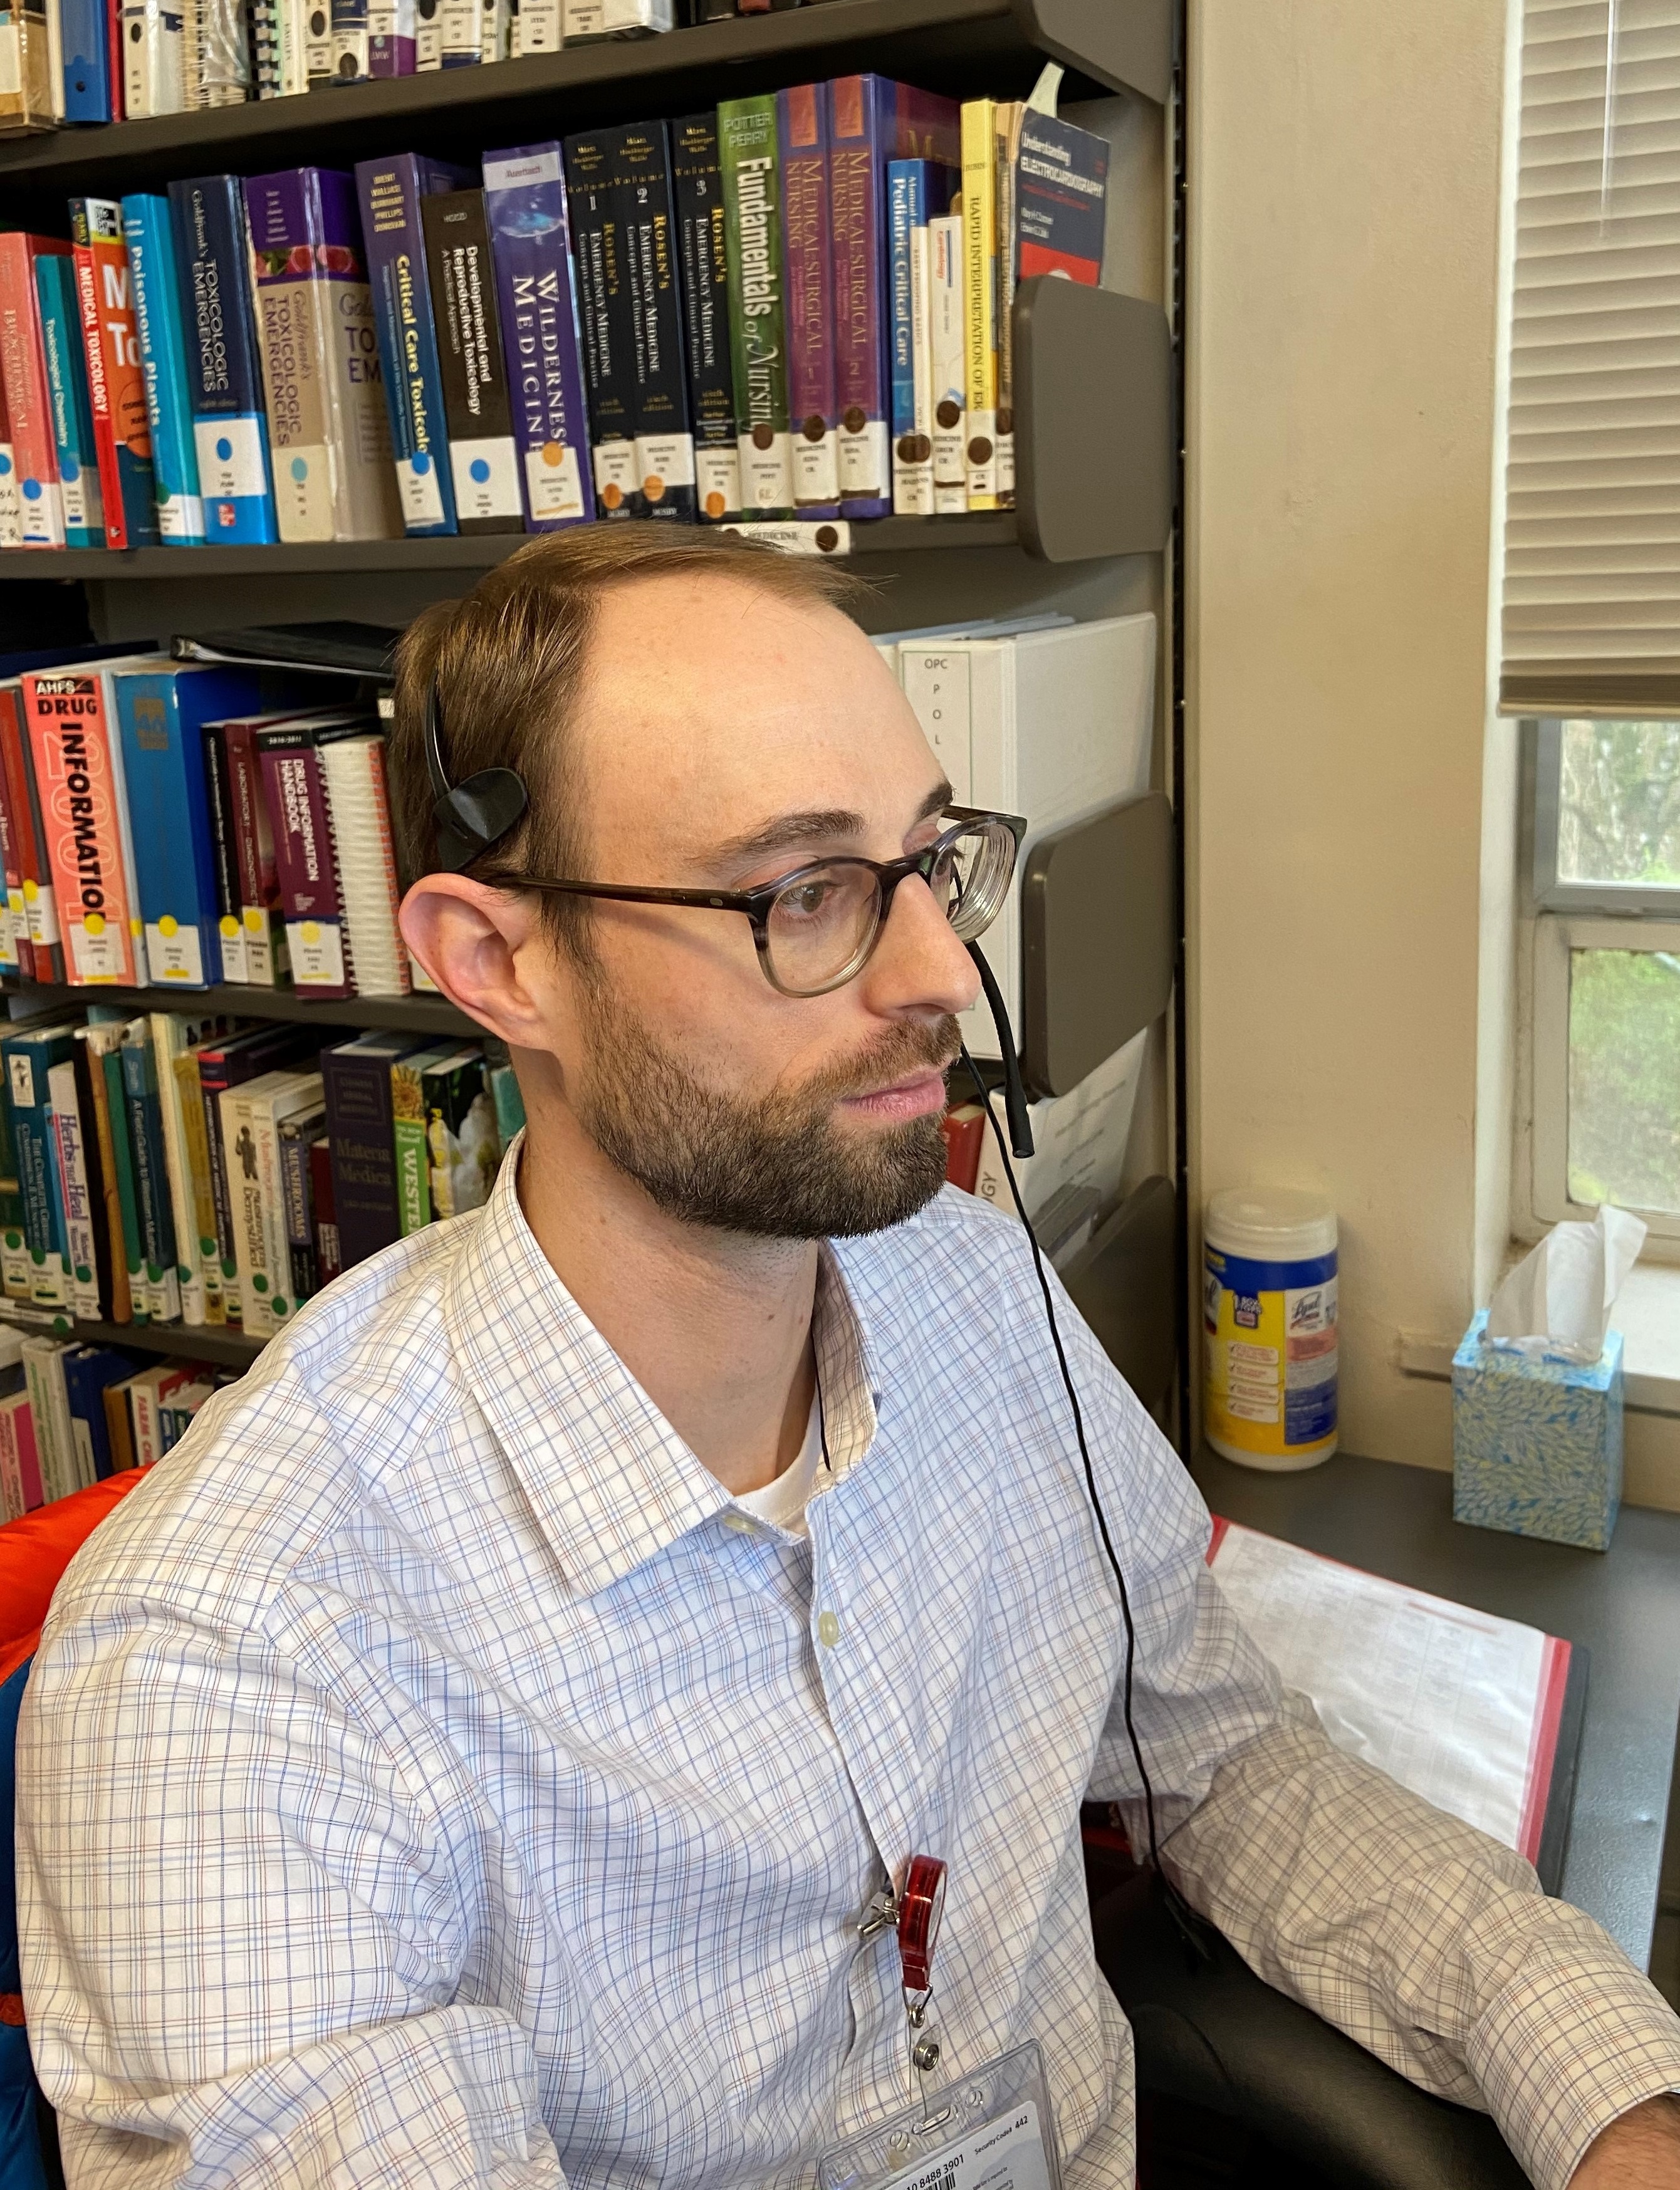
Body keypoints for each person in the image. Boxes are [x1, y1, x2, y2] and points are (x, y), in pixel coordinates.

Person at [16, 528, 1680, 2190]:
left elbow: (1223, 1754)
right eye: (802, 892)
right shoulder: (236, 1662)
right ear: (498, 962)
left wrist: (1608, 2094)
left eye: (928, 859)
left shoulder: (964, 1286)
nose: (945, 973)